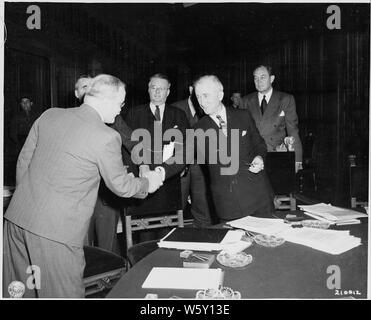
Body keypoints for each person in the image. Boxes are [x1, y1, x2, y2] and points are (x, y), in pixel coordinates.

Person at [3, 74, 164, 298]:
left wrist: (30, 202)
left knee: (20, 292)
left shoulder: (50, 115)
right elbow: (121, 186)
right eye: (120, 103)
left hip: (16, 221)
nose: (120, 110)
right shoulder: (106, 136)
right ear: (107, 99)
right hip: (56, 235)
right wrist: (149, 182)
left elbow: (23, 163)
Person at [192, 75, 275, 222]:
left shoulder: (243, 116)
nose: (202, 102)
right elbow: (180, 156)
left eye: (206, 96)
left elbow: (259, 144)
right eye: (198, 97)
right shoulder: (198, 128)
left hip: (258, 198)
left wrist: (259, 157)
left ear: (220, 95)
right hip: (228, 205)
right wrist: (159, 173)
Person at [124, 73, 189, 216]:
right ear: (148, 90)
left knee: (169, 226)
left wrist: (183, 167)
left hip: (169, 179)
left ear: (168, 91)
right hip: (142, 178)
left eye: (162, 88)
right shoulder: (134, 114)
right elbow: (126, 147)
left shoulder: (179, 115)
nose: (157, 92)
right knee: (144, 229)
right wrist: (130, 172)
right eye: (154, 88)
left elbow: (185, 147)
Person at [242, 65, 303, 172]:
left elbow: (293, 132)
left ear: (272, 79)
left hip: (276, 157)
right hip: (253, 158)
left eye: (262, 77)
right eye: (255, 78)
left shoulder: (285, 99)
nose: (258, 81)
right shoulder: (246, 101)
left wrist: (297, 161)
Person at [172, 84, 213, 227]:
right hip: (180, 165)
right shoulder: (175, 108)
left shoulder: (209, 107)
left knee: (203, 207)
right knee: (177, 207)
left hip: (202, 165)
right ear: (190, 90)